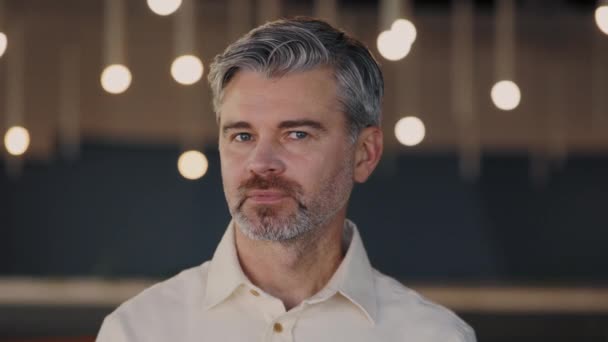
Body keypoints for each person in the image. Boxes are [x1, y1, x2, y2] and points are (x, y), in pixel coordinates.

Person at [96, 17, 476, 342]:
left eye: (296, 134)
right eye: (242, 136)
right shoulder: (139, 331)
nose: (261, 163)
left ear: (365, 153)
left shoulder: (432, 336)